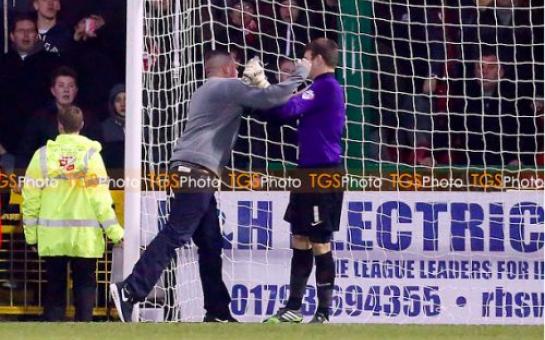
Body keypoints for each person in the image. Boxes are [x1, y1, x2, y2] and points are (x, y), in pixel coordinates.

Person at [110, 50, 310, 322]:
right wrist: (300, 73)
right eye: (236, 67)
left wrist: (259, 85)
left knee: (209, 243)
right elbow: (272, 98)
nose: (239, 71)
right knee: (176, 233)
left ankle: (217, 311)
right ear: (228, 68)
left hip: (191, 170)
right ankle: (130, 290)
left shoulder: (210, 90)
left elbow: (265, 105)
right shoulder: (226, 86)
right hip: (196, 172)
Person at [262, 38, 345, 324]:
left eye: (304, 58)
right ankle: (294, 308)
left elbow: (286, 111)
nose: (301, 63)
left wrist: (263, 90)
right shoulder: (318, 89)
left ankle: (323, 312)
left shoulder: (326, 88)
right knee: (300, 237)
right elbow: (281, 113)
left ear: (317, 58)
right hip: (306, 172)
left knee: (320, 241)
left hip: (322, 174)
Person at [22, 105, 124, 321]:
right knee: (85, 286)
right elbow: (101, 199)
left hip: (52, 237)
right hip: (84, 238)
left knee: (54, 290)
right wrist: (114, 232)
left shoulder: (42, 156)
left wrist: (31, 235)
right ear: (82, 125)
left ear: (59, 126)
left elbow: (30, 199)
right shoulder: (91, 157)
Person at [16, 66, 82, 168]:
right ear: (53, 91)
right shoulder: (39, 118)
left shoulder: (87, 117)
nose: (66, 90)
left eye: (70, 86)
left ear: (76, 90)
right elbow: (25, 153)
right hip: (45, 175)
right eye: (61, 86)